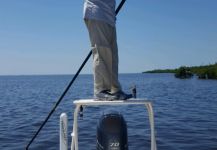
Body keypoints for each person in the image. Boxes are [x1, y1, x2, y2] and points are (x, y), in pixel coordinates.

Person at [83, 0, 132, 100]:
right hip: (97, 13)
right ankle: (100, 90)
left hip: (109, 17)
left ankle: (115, 90)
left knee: (113, 57)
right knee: (102, 53)